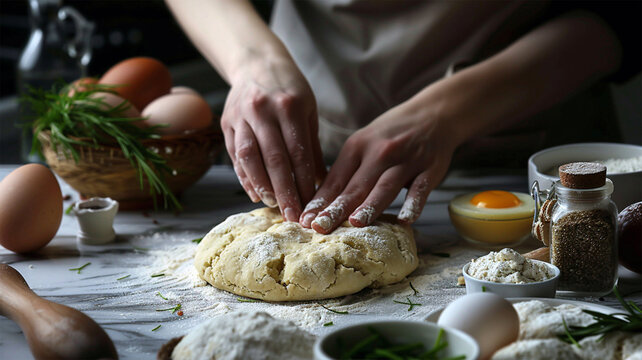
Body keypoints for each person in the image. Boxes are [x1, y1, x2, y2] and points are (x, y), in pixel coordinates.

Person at [166, 0, 639, 234]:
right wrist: (252, 63)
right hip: (320, 133)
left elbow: (623, 12)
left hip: (524, 135)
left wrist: (449, 112)